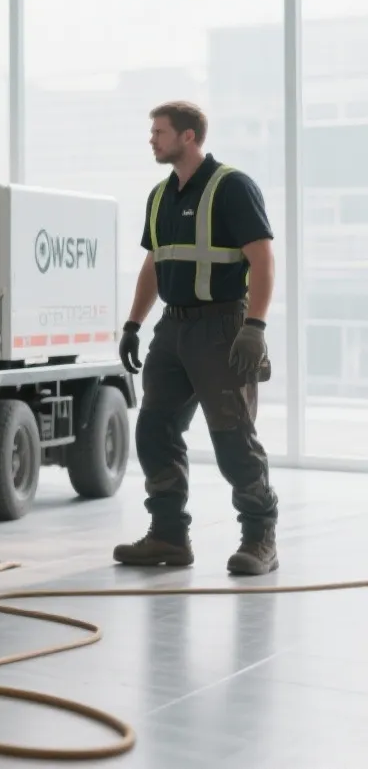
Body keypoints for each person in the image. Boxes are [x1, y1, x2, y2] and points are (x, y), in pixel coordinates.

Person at [114, 100, 279, 576]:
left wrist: (255, 326)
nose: (152, 139)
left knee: (232, 437)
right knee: (154, 430)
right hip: (173, 329)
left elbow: (263, 259)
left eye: (160, 132)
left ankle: (260, 538)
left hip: (222, 327)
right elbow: (154, 263)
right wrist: (133, 324)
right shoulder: (159, 196)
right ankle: (168, 535)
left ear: (188, 136)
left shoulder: (232, 187)